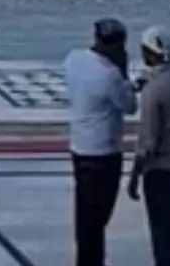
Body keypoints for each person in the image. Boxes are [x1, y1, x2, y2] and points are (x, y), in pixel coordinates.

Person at [65, 17, 136, 266]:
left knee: (84, 211)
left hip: (78, 146)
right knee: (98, 216)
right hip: (104, 151)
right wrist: (124, 74)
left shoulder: (73, 58)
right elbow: (129, 107)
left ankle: (86, 258)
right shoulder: (110, 75)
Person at [130, 26, 170, 266]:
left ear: (149, 53)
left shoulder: (154, 91)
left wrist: (135, 175)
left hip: (162, 172)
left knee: (164, 236)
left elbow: (148, 143)